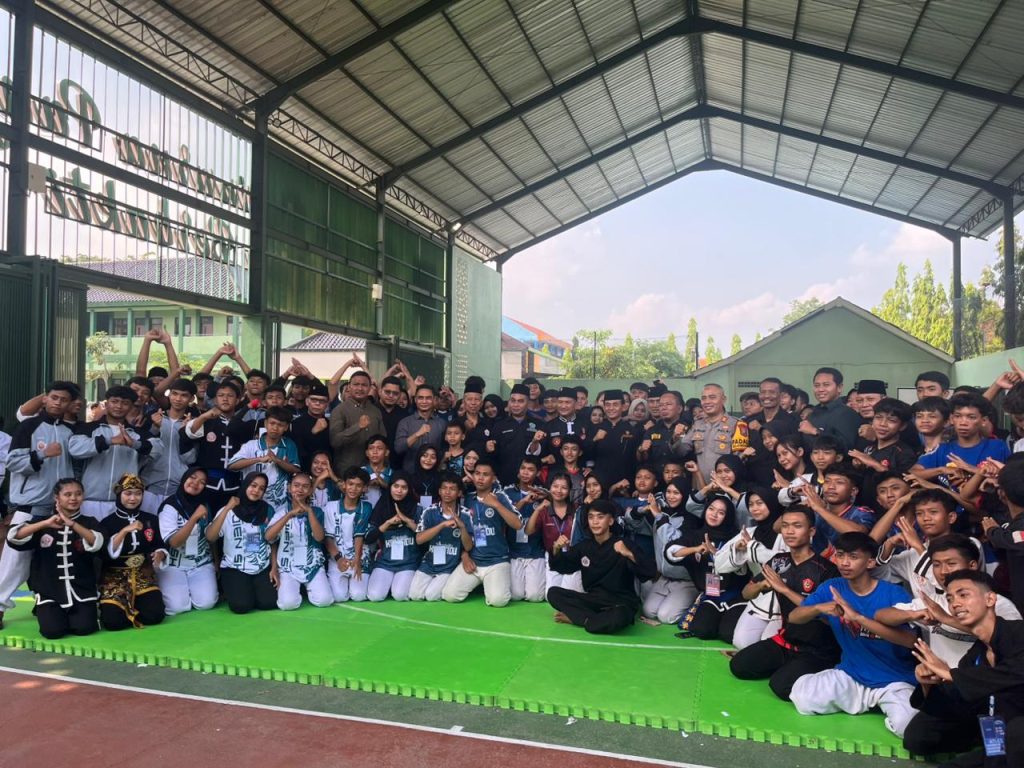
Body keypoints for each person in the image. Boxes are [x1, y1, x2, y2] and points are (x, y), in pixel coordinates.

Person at [787, 531, 919, 737]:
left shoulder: (894, 593)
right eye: (840, 555)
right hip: (852, 675)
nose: (844, 563)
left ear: (870, 562)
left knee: (909, 727)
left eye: (853, 557)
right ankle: (865, 701)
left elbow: (911, 641)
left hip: (894, 680)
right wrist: (818, 608)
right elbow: (794, 617)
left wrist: (859, 618)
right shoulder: (832, 588)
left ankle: (883, 704)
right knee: (802, 698)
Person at [902, 569, 1024, 762]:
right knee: (919, 735)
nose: (955, 604)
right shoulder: (976, 653)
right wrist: (928, 681)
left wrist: (951, 674)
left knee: (1017, 733)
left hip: (1018, 733)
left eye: (963, 595)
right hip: (999, 737)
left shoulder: (1018, 632)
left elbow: (1017, 671)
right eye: (949, 599)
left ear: (990, 599)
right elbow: (953, 698)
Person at [728, 507, 841, 698]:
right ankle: (791, 668)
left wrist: (784, 589)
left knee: (780, 687)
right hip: (786, 641)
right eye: (785, 526)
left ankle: (827, 672)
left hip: (818, 649)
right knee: (739, 666)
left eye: (797, 526)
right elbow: (746, 594)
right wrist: (761, 585)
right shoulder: (778, 561)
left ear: (811, 531)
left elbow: (826, 613)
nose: (789, 531)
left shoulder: (827, 570)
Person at [0, 381, 79, 629]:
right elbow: (12, 462)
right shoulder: (28, 426)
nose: (58, 402)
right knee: (15, 561)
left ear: (70, 404)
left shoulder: (70, 432)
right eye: (54, 397)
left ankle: (46, 603)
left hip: (60, 510)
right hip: (30, 507)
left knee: (54, 559)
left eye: (63, 399)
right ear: (45, 399)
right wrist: (42, 454)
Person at [7, 478, 104, 639]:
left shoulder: (89, 522)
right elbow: (13, 537)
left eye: (78, 494)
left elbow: (98, 542)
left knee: (84, 628)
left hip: (81, 590)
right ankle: (44, 609)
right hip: (49, 592)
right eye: (67, 494)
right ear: (56, 497)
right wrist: (45, 523)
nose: (73, 498)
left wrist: (72, 524)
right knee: (52, 632)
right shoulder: (43, 523)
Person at [547, 499, 656, 635]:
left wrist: (628, 553)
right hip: (593, 599)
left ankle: (581, 619)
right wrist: (556, 549)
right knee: (553, 593)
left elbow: (649, 571)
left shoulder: (623, 544)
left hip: (620, 602)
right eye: (591, 517)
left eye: (600, 517)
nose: (595, 522)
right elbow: (563, 566)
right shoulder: (584, 546)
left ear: (610, 521)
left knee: (620, 616)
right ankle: (594, 619)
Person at [69, 385, 163, 521]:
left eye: (125, 403)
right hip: (90, 501)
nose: (119, 406)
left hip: (125, 502)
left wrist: (134, 444)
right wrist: (110, 441)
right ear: (106, 404)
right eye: (114, 401)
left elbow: (158, 450)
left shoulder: (137, 433)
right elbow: (75, 449)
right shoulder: (88, 428)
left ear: (131, 406)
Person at [442, 459, 523, 607]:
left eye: (485, 475)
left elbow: (517, 524)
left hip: (497, 560)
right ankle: (484, 584)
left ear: (493, 478)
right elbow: (460, 531)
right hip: (474, 560)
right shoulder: (466, 499)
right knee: (450, 595)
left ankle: (490, 584)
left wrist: (496, 504)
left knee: (498, 601)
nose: (480, 478)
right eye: (477, 473)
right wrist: (464, 556)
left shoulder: (500, 497)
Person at [714, 487, 785, 648]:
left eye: (760, 503)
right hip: (758, 596)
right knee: (741, 642)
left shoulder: (787, 532)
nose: (754, 508)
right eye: (751, 504)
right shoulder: (749, 532)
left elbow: (785, 563)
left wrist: (753, 547)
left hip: (785, 599)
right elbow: (719, 563)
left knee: (769, 646)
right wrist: (737, 550)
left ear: (771, 503)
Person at [670, 496, 746, 641]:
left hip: (735, 594)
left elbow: (744, 570)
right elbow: (671, 552)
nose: (714, 514)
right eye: (711, 509)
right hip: (711, 593)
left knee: (728, 634)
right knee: (702, 630)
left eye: (721, 512)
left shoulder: (736, 538)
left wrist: (723, 554)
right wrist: (695, 549)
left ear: (728, 516)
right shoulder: (696, 535)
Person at [97, 474, 167, 630]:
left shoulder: (151, 520)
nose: (133, 498)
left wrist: (160, 553)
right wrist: (124, 531)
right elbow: (104, 553)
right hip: (115, 576)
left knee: (155, 616)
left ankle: (133, 606)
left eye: (138, 494)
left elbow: (159, 544)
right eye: (128, 493)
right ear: (119, 494)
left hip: (143, 573)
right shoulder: (107, 522)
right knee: (113, 623)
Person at [206, 473, 278, 614]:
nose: (256, 491)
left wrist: (274, 567)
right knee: (241, 606)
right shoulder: (229, 509)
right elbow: (210, 537)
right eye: (253, 485)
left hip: (261, 565)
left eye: (261, 488)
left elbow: (273, 542)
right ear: (245, 485)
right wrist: (227, 508)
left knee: (269, 603)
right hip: (234, 566)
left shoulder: (267, 510)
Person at [157, 467, 218, 615]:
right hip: (174, 564)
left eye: (202, 482)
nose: (196, 483)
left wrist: (216, 561)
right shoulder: (169, 506)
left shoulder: (205, 504)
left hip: (201, 562)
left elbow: (211, 536)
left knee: (206, 603)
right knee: (177, 607)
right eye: (193, 477)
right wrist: (194, 517)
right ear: (184, 478)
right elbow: (174, 542)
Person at [266, 473, 332, 610]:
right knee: (288, 604)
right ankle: (297, 589)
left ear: (310, 490)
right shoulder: (281, 512)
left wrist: (309, 511)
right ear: (289, 488)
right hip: (288, 566)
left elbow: (319, 538)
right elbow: (268, 537)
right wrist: (290, 514)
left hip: (312, 565)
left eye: (305, 486)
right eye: (296, 485)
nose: (300, 489)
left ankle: (307, 588)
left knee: (324, 600)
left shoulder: (317, 512)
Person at [181, 380, 246, 514]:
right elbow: (189, 434)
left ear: (238, 400)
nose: (225, 399)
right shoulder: (206, 421)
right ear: (215, 400)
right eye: (221, 395)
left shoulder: (244, 424)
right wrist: (203, 417)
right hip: (207, 484)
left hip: (234, 485)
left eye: (230, 395)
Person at [914, 392, 1010, 479]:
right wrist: (941, 470)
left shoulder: (997, 446)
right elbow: (914, 472)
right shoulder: (942, 449)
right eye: (958, 416)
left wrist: (972, 469)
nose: (963, 422)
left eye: (971, 417)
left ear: (983, 421)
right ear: (951, 419)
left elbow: (1013, 477)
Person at [411, 473, 474, 601]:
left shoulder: (466, 514)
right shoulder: (429, 511)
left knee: (431, 596)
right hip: (429, 563)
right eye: (444, 488)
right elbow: (419, 539)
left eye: (452, 489)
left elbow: (468, 547)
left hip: (450, 565)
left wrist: (462, 527)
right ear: (439, 491)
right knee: (415, 595)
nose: (447, 492)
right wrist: (442, 525)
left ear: (459, 493)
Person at [643, 478, 698, 624]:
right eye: (668, 492)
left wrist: (658, 516)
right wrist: (641, 511)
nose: (671, 496)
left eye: (676, 493)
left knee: (666, 617)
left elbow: (673, 543)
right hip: (665, 577)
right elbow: (634, 524)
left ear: (685, 494)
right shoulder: (662, 514)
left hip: (686, 580)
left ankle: (697, 600)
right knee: (649, 611)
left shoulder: (692, 519)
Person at [140, 378, 198, 514]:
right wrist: (155, 428)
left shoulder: (194, 424)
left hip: (179, 489)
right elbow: (144, 451)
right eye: (174, 393)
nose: (178, 399)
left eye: (184, 395)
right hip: (150, 488)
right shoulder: (152, 418)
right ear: (169, 394)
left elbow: (190, 459)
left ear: (191, 398)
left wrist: (186, 434)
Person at [227, 406, 301, 511]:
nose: (275, 428)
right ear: (265, 423)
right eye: (272, 423)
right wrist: (258, 459)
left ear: (286, 427)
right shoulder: (251, 445)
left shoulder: (289, 445)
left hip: (279, 504)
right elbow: (232, 465)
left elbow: (296, 470)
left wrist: (277, 460)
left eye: (280, 425)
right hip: (251, 500)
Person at [363, 473, 420, 601]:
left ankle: (395, 584)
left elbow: (425, 538)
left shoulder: (417, 509)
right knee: (375, 596)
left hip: (408, 563)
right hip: (385, 562)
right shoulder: (381, 506)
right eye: (396, 486)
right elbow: (368, 538)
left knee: (399, 595)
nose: (399, 490)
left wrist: (407, 521)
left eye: (404, 487)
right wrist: (387, 523)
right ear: (390, 487)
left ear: (409, 490)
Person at [673, 384, 747, 479]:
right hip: (701, 484)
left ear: (723, 399)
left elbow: (740, 460)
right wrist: (676, 438)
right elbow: (682, 452)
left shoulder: (736, 424)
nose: (707, 402)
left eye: (712, 397)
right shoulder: (697, 424)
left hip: (726, 484)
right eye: (704, 398)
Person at [323, 467, 373, 603]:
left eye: (358, 485)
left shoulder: (366, 507)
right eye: (350, 484)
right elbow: (328, 538)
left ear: (364, 488)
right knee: (339, 597)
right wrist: (338, 559)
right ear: (344, 484)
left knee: (358, 596)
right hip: (337, 558)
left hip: (359, 557)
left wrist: (357, 560)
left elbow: (359, 535)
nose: (353, 489)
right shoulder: (330, 507)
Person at [503, 458, 547, 602]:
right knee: (515, 595)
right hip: (514, 552)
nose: (525, 472)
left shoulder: (543, 493)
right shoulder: (507, 492)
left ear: (538, 473)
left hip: (535, 551)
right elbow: (503, 517)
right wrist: (522, 502)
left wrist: (546, 498)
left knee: (535, 597)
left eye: (530, 469)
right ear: (518, 471)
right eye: (523, 468)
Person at [329, 370, 385, 475]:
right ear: (349, 387)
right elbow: (335, 441)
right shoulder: (339, 410)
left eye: (364, 385)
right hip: (347, 471)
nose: (360, 388)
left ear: (369, 388)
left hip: (373, 471)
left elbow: (383, 439)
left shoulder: (375, 411)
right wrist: (358, 427)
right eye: (356, 384)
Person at [491, 384, 543, 485]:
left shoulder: (539, 424)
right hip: (504, 479)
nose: (516, 404)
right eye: (513, 400)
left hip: (530, 481)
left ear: (528, 403)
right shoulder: (499, 426)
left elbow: (542, 453)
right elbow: (493, 455)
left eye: (520, 401)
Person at [800, 367, 862, 451]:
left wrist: (815, 431)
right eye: (817, 385)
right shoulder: (812, 413)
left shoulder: (847, 414)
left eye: (826, 385)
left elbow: (846, 447)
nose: (820, 389)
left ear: (839, 388)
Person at [395, 384, 447, 473]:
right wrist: (417, 435)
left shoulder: (442, 423)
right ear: (415, 400)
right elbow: (399, 449)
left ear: (434, 399)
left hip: (434, 474)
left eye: (428, 398)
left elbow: (445, 450)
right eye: (420, 398)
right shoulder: (405, 422)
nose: (424, 401)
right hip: (410, 473)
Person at [360, 434, 393, 508]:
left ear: (387, 452)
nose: (375, 452)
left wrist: (384, 484)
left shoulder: (393, 474)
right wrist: (367, 484)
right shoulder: (359, 472)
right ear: (367, 453)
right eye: (371, 448)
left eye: (379, 448)